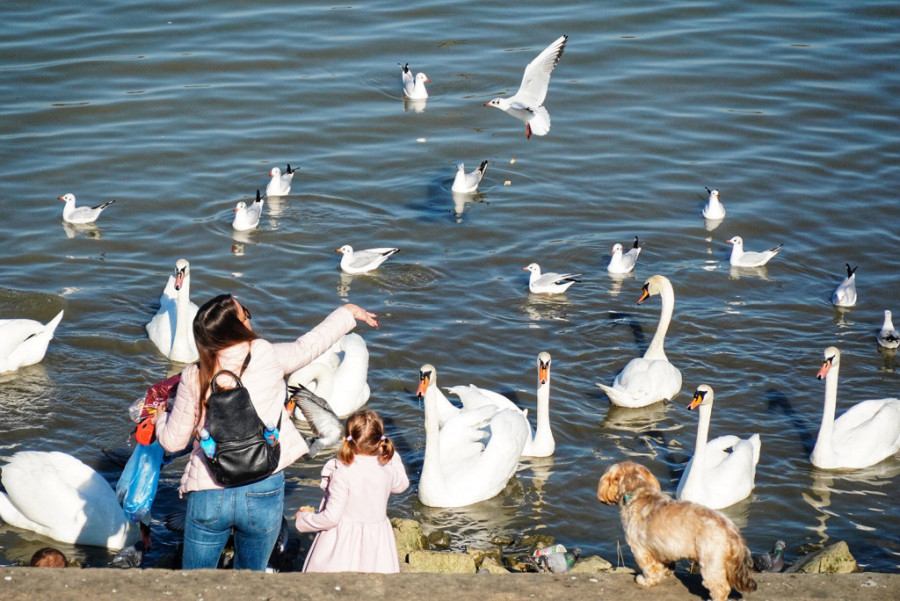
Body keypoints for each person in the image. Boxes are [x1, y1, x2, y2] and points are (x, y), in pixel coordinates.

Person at [155, 294, 377, 571]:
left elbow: (174, 442)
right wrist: (346, 314)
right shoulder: (266, 355)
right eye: (245, 313)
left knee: (195, 583)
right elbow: (308, 346)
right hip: (263, 485)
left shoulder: (194, 374)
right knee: (250, 581)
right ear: (236, 327)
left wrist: (159, 417)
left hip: (209, 489)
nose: (249, 317)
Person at [295, 409, 409, 573]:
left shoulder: (342, 473)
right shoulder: (386, 471)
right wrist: (391, 456)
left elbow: (331, 518)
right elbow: (402, 484)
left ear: (345, 440)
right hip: (377, 543)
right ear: (379, 441)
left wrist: (304, 519)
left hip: (343, 543)